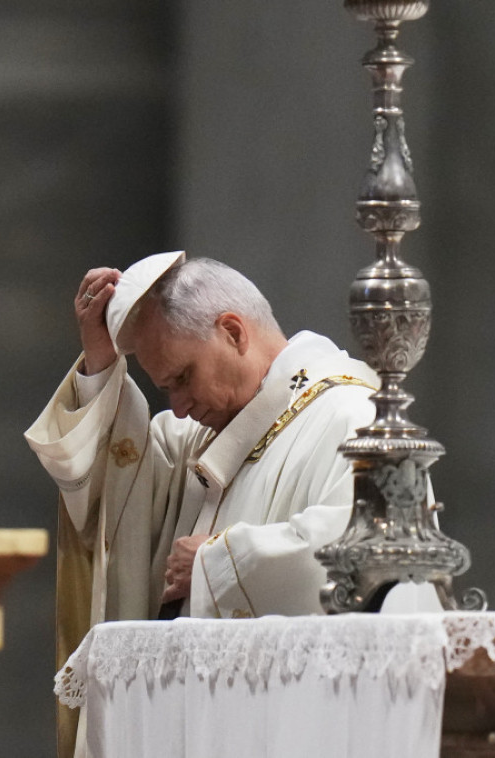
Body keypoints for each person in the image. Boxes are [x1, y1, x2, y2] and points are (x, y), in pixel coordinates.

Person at [25, 252, 379, 757]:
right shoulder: (203, 438)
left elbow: (363, 553)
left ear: (233, 332)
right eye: (166, 388)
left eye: (183, 378)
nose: (179, 406)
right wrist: (101, 364)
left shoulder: (351, 415)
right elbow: (117, 486)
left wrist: (219, 563)